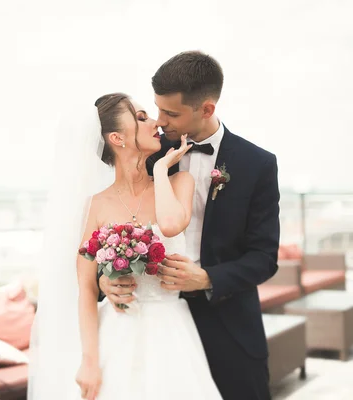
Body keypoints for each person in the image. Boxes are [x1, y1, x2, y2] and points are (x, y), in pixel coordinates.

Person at [99, 51, 280, 400]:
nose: (160, 121)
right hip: (151, 328)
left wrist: (208, 278)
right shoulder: (147, 151)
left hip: (229, 326)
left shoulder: (257, 164)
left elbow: (264, 257)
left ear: (207, 109)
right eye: (156, 108)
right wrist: (106, 277)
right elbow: (108, 220)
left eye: (171, 113)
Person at [27, 92, 222, 400]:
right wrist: (89, 361)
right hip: (116, 331)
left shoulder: (178, 181)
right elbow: (87, 289)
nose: (155, 122)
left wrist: (159, 170)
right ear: (117, 138)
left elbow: (171, 225)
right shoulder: (94, 205)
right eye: (142, 118)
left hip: (170, 333)